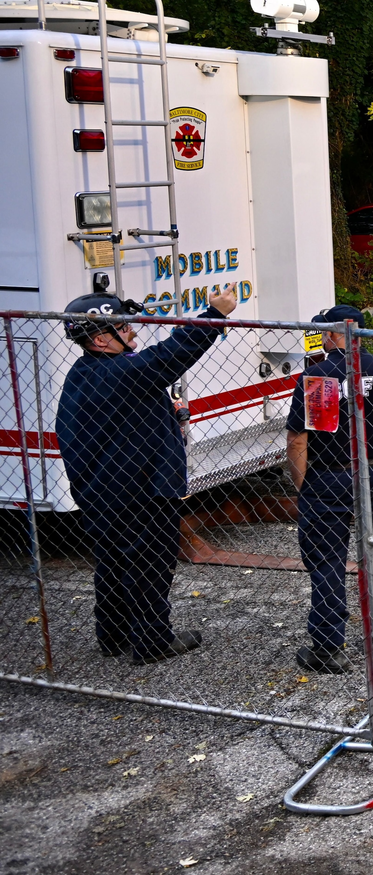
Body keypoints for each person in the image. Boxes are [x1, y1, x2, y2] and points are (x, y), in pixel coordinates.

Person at [55, 284, 237, 665]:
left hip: (101, 494)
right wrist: (214, 316)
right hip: (140, 494)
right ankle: (152, 641)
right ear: (101, 339)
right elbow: (168, 356)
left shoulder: (82, 374)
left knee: (111, 564)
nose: (132, 330)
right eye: (123, 327)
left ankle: (113, 636)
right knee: (151, 565)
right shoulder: (120, 373)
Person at [285, 305, 373, 675]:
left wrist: (303, 485)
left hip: (329, 475)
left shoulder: (320, 377)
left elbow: (299, 439)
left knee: (327, 559)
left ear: (332, 334)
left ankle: (329, 646)